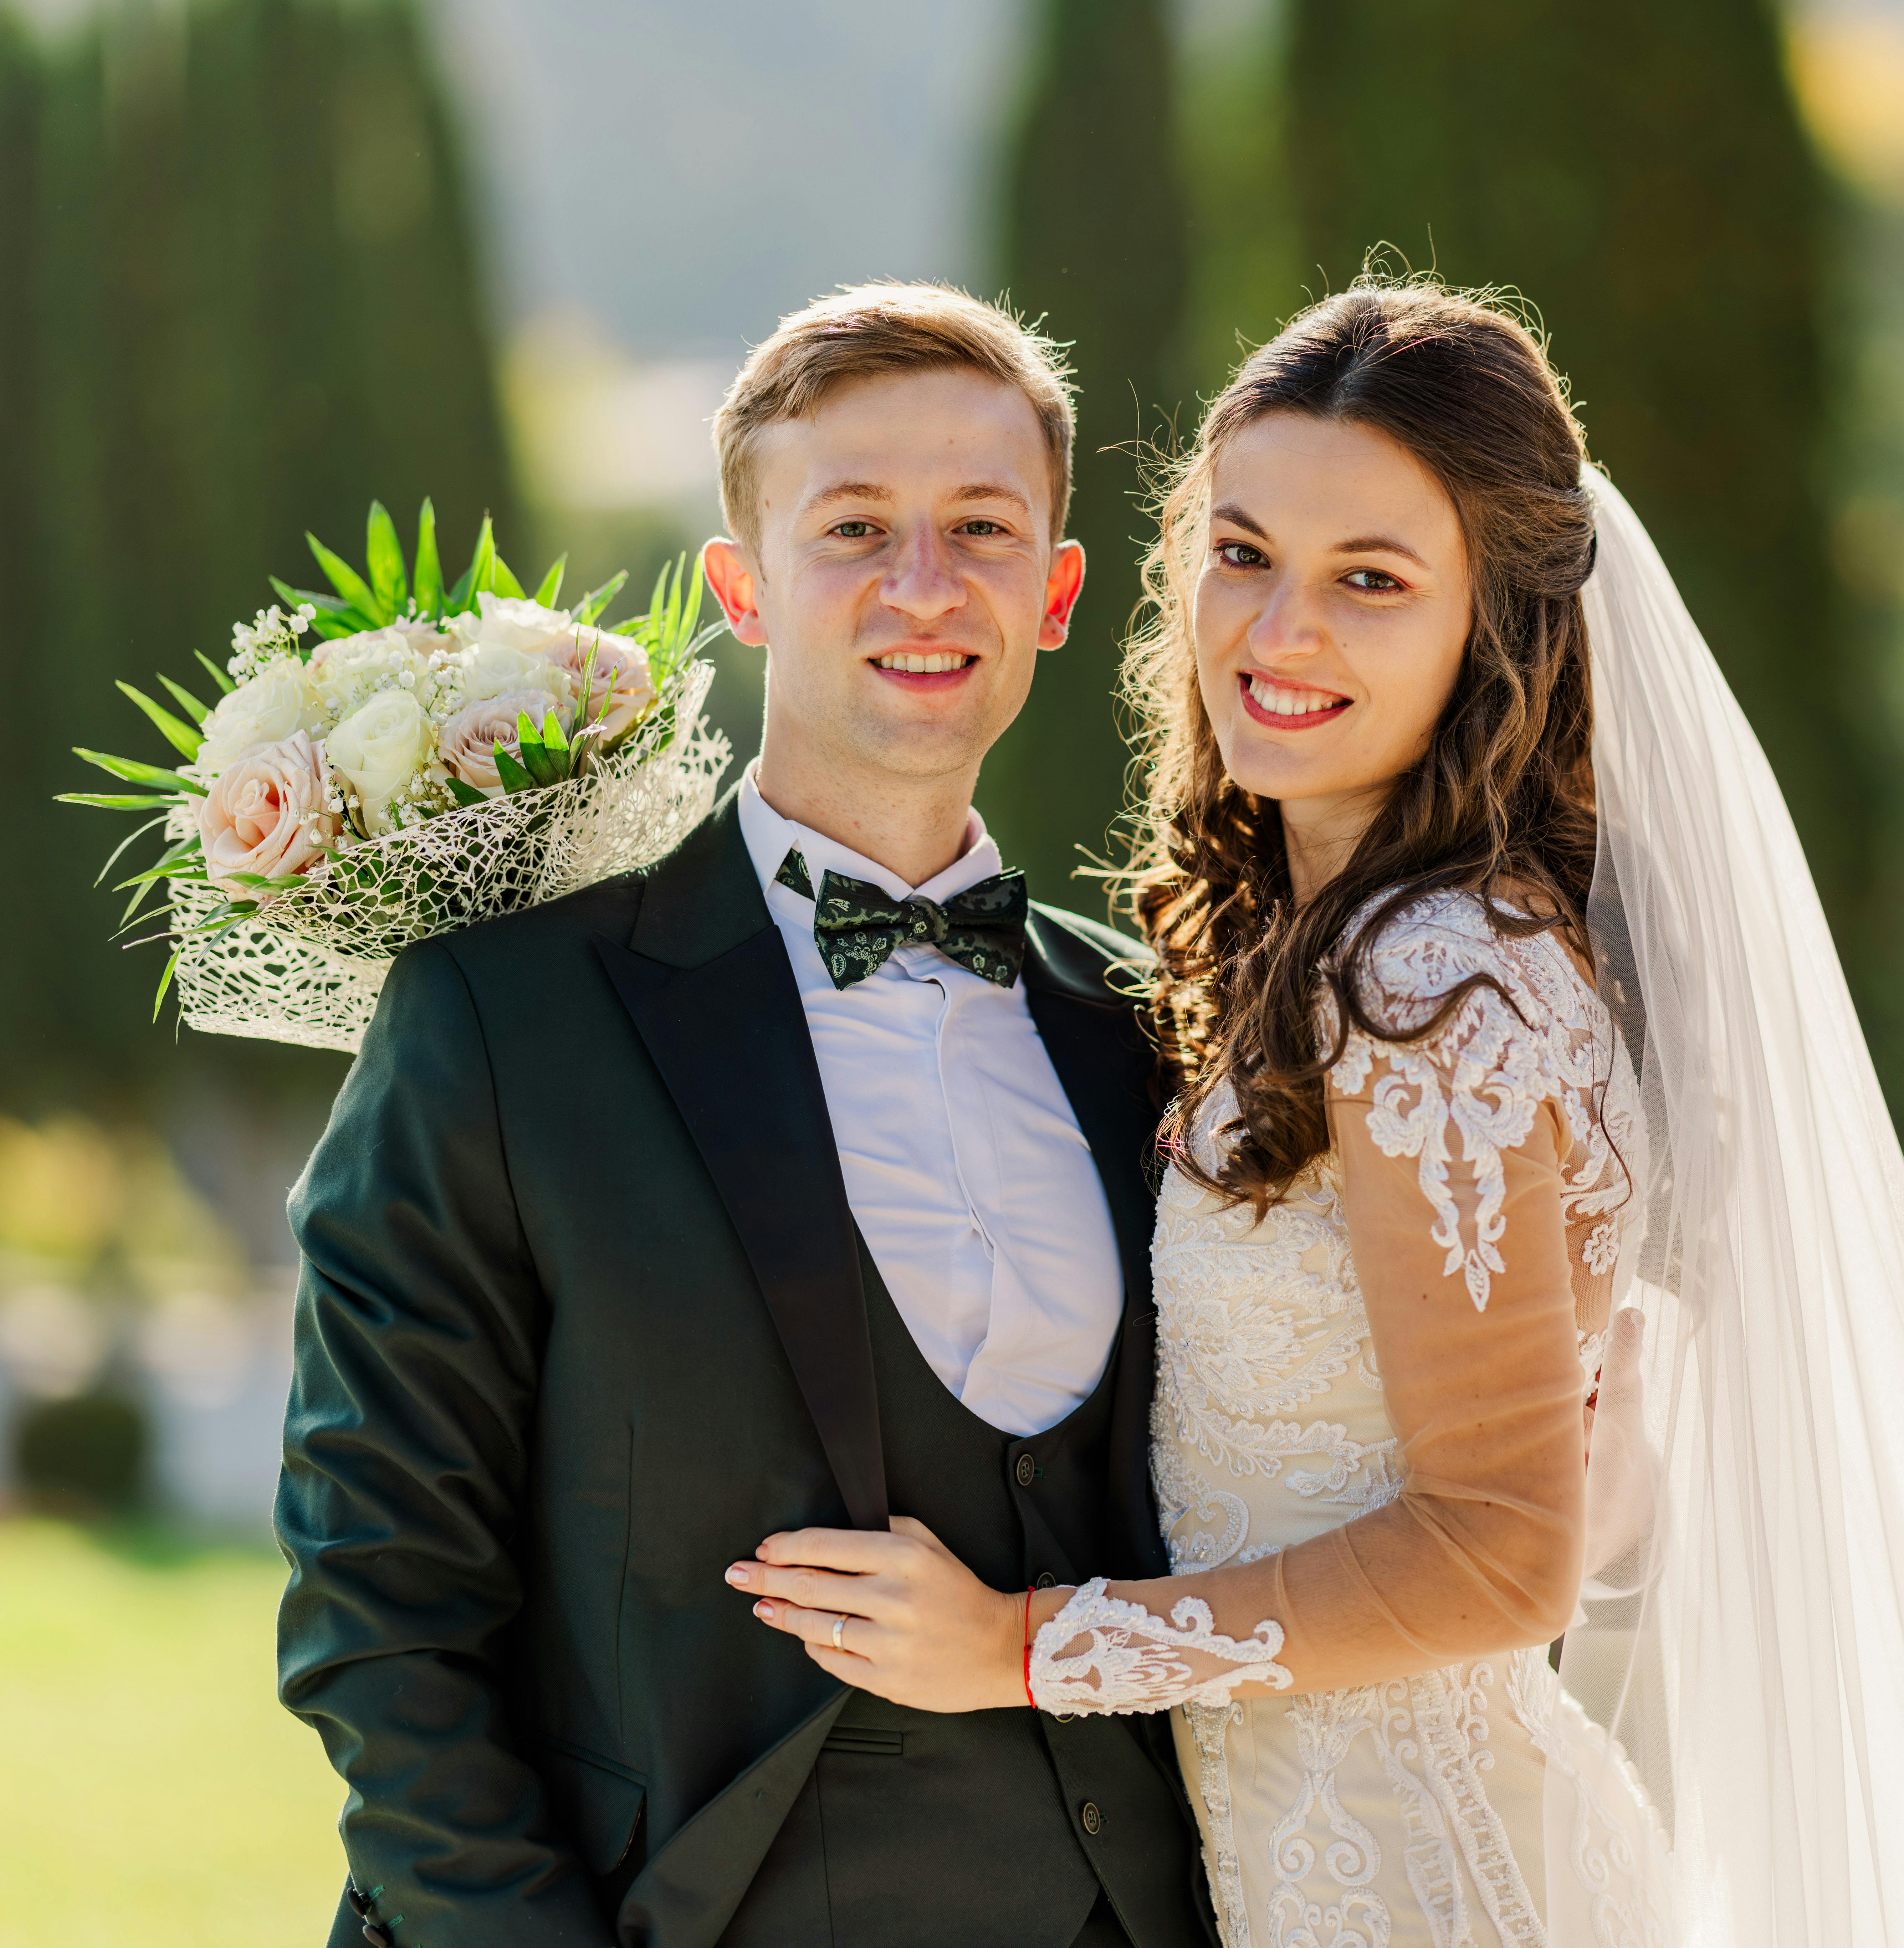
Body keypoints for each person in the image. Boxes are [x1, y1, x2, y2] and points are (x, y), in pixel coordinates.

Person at [728, 282, 1904, 1947]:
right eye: (1243, 553)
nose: (1279, 632)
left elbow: (1500, 1550)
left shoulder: (1434, 984)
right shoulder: (1349, 944)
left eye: (1371, 581)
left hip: (1415, 1880)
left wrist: (1027, 1646)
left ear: (1495, 624)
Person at [275, 281, 1214, 1948]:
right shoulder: (500, 1024)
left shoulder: (1164, 1035)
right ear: (741, 587)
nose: (921, 585)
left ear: (1057, 591)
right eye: (853, 526)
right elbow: (381, 1611)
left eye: (980, 529)